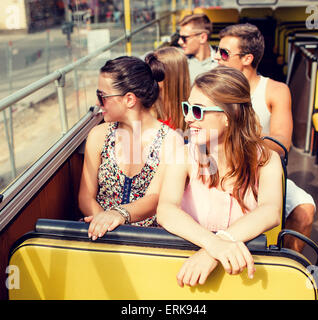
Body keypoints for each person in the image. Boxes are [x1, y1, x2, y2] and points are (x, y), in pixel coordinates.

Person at [157, 66, 283, 287]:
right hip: (187, 270)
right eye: (187, 108)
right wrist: (213, 245)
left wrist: (217, 246)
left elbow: (270, 211)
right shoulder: (184, 156)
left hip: (242, 271)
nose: (187, 118)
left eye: (197, 111)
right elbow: (166, 210)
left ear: (228, 117)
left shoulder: (266, 161)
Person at [215, 23, 315, 252]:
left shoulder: (274, 90)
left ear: (247, 59)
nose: (217, 58)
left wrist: (238, 144)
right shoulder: (214, 87)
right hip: (218, 170)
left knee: (304, 209)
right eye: (217, 51)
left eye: (223, 53)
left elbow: (281, 142)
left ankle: (285, 265)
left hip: (259, 170)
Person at [78, 56, 174, 240]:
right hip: (99, 234)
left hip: (147, 238)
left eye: (102, 96)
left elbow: (153, 198)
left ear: (129, 99)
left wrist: (117, 215)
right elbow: (85, 196)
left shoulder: (170, 140)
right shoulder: (98, 135)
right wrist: (102, 223)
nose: (98, 103)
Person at [145, 46, 191, 131]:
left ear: (173, 76)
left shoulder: (194, 110)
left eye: (156, 73)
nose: (150, 78)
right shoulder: (145, 107)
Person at [177, 13, 218, 83]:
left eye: (184, 38)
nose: (179, 42)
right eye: (179, 37)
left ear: (202, 38)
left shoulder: (220, 64)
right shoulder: (178, 61)